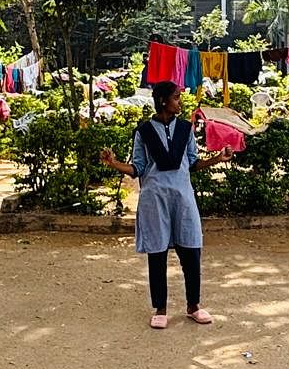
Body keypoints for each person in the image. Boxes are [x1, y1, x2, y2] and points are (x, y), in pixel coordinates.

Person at [100, 80, 234, 329]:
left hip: (183, 197)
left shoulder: (186, 129)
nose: (179, 102)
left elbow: (192, 163)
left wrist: (217, 159)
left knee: (191, 251)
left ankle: (193, 305)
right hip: (154, 198)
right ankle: (160, 308)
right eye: (175, 97)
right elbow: (137, 168)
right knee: (157, 253)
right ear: (163, 101)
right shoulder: (143, 132)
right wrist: (113, 163)